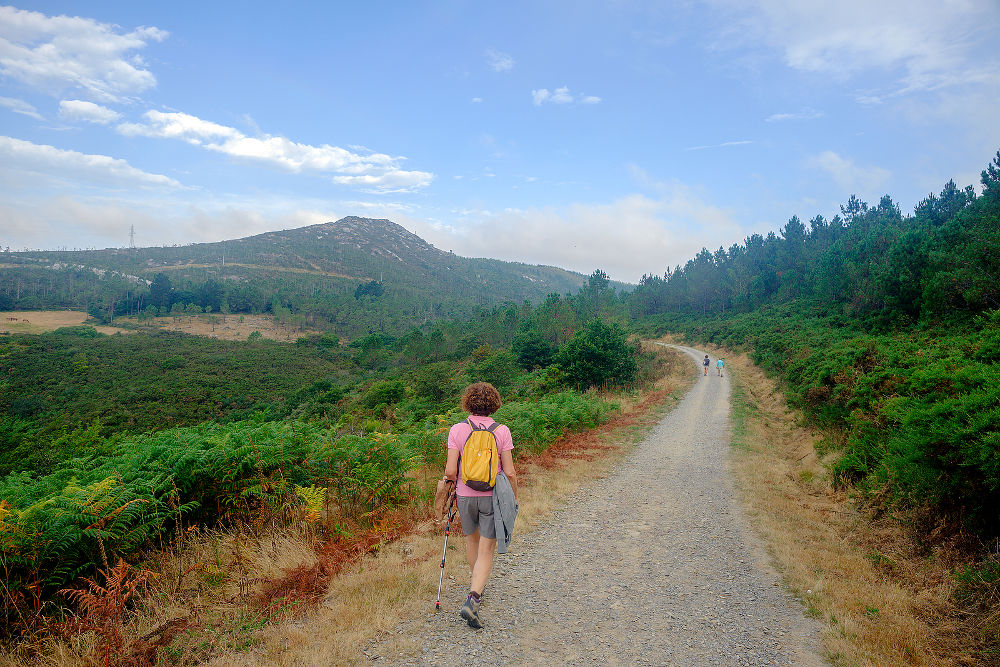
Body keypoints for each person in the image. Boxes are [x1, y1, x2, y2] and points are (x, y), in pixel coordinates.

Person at [444, 382, 518, 629]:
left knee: (472, 541)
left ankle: (474, 587)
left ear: (468, 402)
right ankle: (473, 598)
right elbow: (509, 472)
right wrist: (513, 498)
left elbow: (450, 470)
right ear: (494, 403)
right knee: (487, 548)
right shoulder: (502, 431)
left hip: (464, 496)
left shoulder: (457, 429)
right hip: (490, 497)